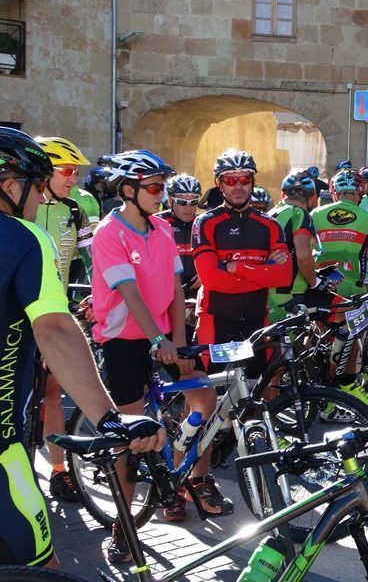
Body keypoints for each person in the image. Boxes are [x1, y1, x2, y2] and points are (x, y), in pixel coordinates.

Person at [0, 127, 164, 570]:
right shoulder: (23, 238)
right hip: (2, 450)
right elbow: (55, 330)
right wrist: (109, 418)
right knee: (41, 568)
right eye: (38, 186)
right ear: (10, 186)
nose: (41, 198)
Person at [93, 149, 217, 558]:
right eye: (153, 188)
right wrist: (157, 342)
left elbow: (177, 289)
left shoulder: (161, 228)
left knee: (204, 397)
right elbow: (129, 293)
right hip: (125, 341)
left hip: (163, 337)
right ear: (127, 190)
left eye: (161, 187)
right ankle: (122, 528)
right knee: (130, 442)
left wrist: (177, 343)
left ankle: (176, 469)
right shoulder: (109, 234)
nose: (160, 195)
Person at [192, 148, 291, 386]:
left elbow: (284, 277)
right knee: (207, 394)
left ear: (253, 182)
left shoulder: (270, 225)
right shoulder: (205, 223)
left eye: (245, 179)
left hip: (257, 321)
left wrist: (236, 268)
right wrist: (264, 271)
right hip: (217, 321)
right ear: (219, 184)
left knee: (258, 391)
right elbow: (211, 280)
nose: (238, 186)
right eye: (230, 180)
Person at [32, 136, 96, 504]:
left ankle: (59, 471)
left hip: (54, 311)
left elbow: (91, 260)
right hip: (18, 316)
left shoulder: (76, 210)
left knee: (53, 393)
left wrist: (97, 293)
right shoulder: (18, 207)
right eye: (67, 171)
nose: (74, 179)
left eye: (75, 172)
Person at [311, 169, 368, 407]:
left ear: (334, 192)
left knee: (319, 336)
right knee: (353, 337)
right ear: (359, 192)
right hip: (352, 288)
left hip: (319, 287)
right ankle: (346, 385)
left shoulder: (315, 215)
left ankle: (317, 386)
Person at [267, 171, 318, 324]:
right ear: (312, 198)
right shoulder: (300, 214)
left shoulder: (270, 214)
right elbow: (303, 256)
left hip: (265, 292)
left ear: (283, 195)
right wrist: (314, 282)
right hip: (289, 294)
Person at [156, 174, 202, 299]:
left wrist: (207, 272)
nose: (188, 208)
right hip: (164, 292)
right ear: (170, 201)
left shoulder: (203, 223)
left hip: (196, 293)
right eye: (182, 202)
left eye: (193, 202)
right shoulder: (156, 223)